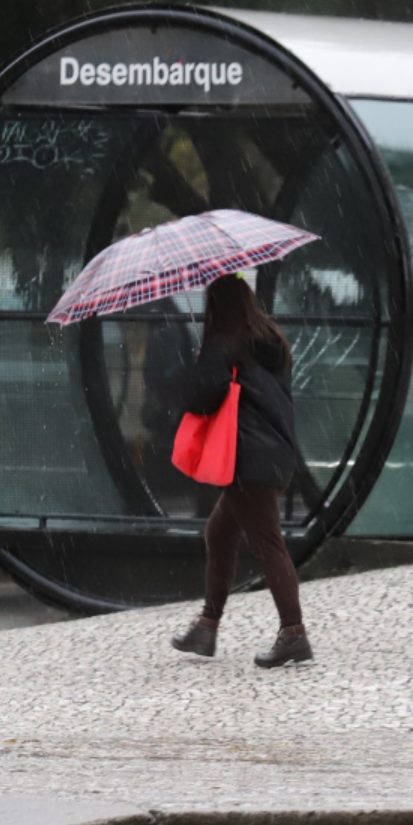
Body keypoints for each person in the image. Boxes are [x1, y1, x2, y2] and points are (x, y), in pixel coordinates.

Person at [170, 273, 312, 668]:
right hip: (275, 453)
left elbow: (200, 399)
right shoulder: (272, 341)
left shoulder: (225, 343)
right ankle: (206, 627)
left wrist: (197, 366)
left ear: (218, 308)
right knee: (219, 533)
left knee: (268, 544)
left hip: (246, 457)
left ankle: (294, 634)